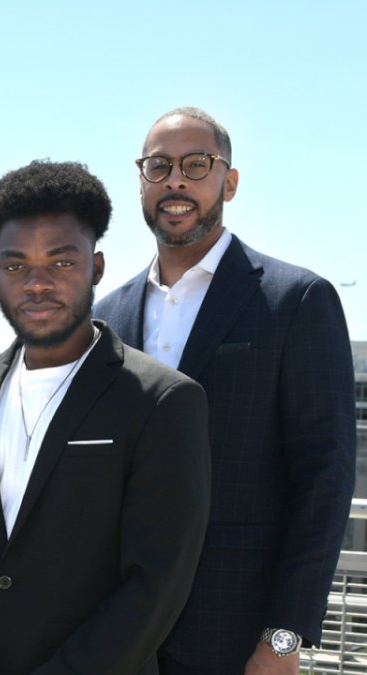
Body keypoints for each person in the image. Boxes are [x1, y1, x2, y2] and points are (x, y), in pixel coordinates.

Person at [0, 160, 212, 674]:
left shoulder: (162, 401)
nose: (37, 283)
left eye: (62, 262)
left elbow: (155, 585)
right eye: (16, 264)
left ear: (96, 267)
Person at [94, 107, 356, 674]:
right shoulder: (105, 318)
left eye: (196, 164)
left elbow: (324, 480)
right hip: (114, 635)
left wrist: (283, 640)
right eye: (158, 167)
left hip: (234, 637)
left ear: (229, 182)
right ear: (141, 182)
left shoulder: (297, 302)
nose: (176, 181)